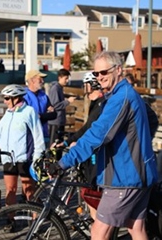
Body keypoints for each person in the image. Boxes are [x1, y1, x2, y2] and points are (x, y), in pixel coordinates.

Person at [49, 51, 158, 240]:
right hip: (139, 172)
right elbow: (152, 119)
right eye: (96, 73)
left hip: (125, 178)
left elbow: (98, 135)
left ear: (118, 70)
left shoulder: (120, 98)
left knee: (99, 232)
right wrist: (138, 145)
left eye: (104, 73)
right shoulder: (126, 94)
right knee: (136, 227)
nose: (99, 77)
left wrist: (63, 163)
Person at [0, 84, 45, 210]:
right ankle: (11, 219)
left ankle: (35, 220)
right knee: (10, 189)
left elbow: (38, 137)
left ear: (17, 98)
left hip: (25, 158)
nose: (5, 101)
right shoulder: (7, 114)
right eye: (4, 98)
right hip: (8, 158)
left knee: (29, 190)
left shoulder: (29, 111)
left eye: (7, 98)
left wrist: (37, 157)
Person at [55, 71, 105, 220]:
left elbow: (89, 130)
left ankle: (98, 226)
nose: (84, 88)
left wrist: (72, 142)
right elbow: (86, 128)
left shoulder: (101, 105)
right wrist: (67, 142)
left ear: (92, 85)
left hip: (96, 153)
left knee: (93, 191)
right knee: (89, 190)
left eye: (86, 85)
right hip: (91, 151)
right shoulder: (95, 103)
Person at [24, 69, 57, 146]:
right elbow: (27, 117)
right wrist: (44, 115)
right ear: (32, 80)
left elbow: (54, 114)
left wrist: (40, 116)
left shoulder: (44, 96)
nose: (43, 81)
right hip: (29, 136)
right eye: (40, 79)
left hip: (43, 134)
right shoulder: (24, 96)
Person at [48, 68, 76, 148]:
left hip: (59, 121)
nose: (67, 81)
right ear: (59, 77)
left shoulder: (60, 88)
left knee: (59, 145)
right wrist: (68, 101)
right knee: (54, 145)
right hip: (55, 122)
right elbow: (55, 106)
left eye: (68, 78)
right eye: (65, 78)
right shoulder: (55, 88)